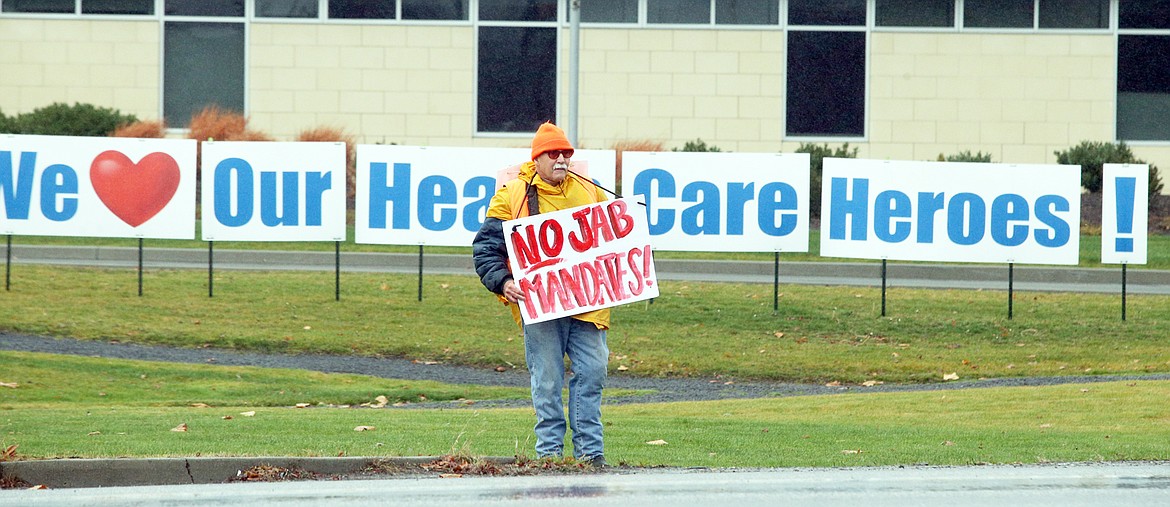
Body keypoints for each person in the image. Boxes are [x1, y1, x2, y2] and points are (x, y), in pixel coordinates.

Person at [472, 122, 609, 466]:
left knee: (593, 372)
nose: (562, 159)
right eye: (554, 153)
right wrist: (503, 282)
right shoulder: (512, 195)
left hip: (588, 303)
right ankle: (548, 456)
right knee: (547, 380)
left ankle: (590, 456)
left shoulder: (591, 190)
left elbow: (613, 238)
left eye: (566, 153)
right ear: (538, 158)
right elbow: (486, 247)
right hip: (539, 304)